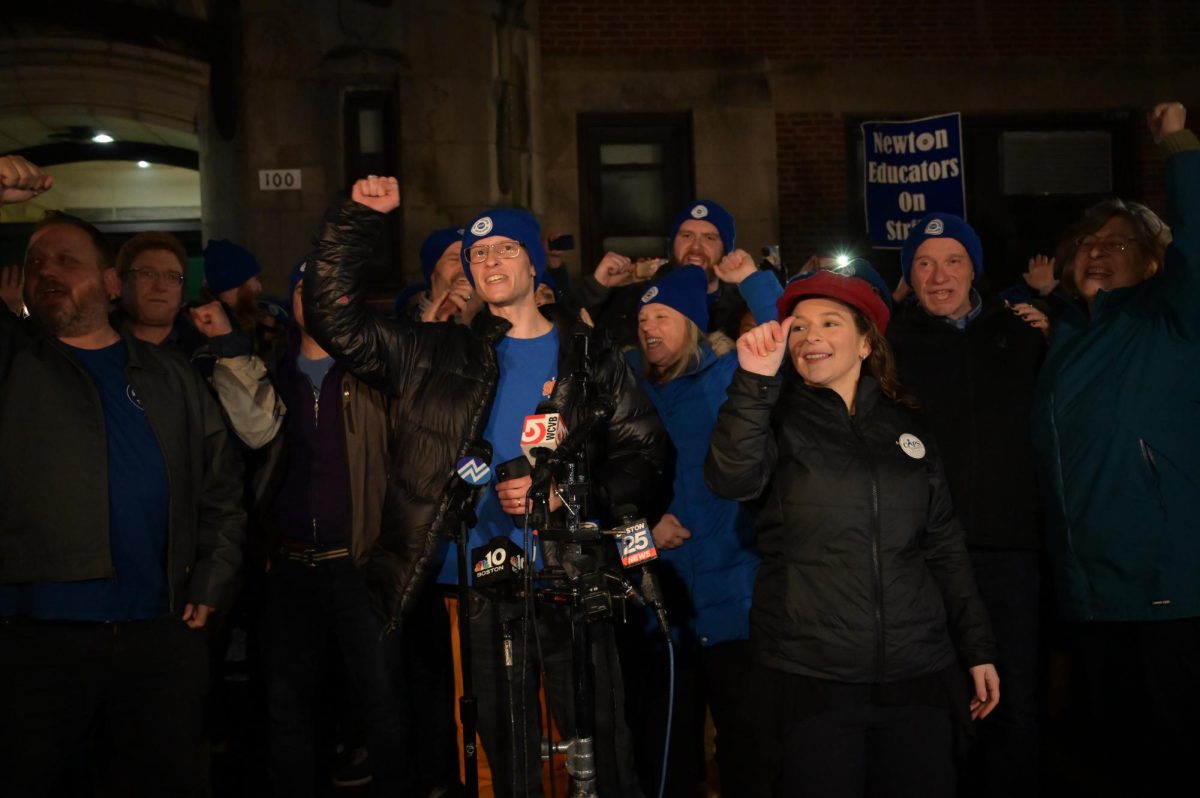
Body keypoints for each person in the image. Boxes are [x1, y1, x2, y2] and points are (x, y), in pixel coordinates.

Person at [302, 176, 672, 798]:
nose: (489, 260)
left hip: (569, 580)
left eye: (505, 248)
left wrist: (566, 495)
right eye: (476, 254)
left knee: (599, 750)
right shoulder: (435, 352)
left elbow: (649, 454)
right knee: (507, 757)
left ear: (534, 260)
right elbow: (333, 319)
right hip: (475, 585)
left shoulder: (586, 354)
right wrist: (356, 221)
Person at [705, 264, 998, 798]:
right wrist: (754, 380)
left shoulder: (907, 429)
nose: (810, 335)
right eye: (798, 325)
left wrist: (976, 647)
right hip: (813, 679)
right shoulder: (773, 418)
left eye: (830, 323)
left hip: (917, 673)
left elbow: (944, 547)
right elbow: (730, 477)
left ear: (867, 343)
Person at [0, 160, 245, 796]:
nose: (47, 271)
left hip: (160, 632)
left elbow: (221, 486)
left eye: (66, 260)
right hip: (38, 633)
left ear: (111, 283)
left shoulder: (170, 377)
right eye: (35, 262)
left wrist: (213, 576)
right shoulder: (15, 362)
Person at [1029, 101, 1200, 794]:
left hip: (1168, 590)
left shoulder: (1173, 320)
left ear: (1158, 262)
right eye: (1087, 245)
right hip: (1091, 594)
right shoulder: (1065, 337)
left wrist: (1179, 147)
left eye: (1117, 243)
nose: (1096, 252)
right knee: (1115, 759)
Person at [887, 212, 1045, 797]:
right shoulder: (892, 348)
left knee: (1014, 697)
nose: (938, 275)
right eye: (923, 263)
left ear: (973, 268)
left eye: (952, 260)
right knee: (938, 701)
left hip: (1008, 548)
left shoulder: (1023, 335)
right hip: (925, 555)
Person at [256, 259, 413, 797]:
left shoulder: (375, 376)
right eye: (304, 288)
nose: (317, 299)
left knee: (382, 704)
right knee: (287, 706)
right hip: (291, 568)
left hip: (360, 565)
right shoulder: (270, 373)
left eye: (329, 290)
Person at [623, 263, 778, 797]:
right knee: (667, 756)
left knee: (749, 749)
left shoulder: (731, 371)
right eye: (642, 318)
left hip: (736, 599)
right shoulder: (627, 387)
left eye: (662, 316)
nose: (649, 328)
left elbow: (791, 340)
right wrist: (641, 534)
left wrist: (754, 279)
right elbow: (599, 494)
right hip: (662, 610)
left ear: (689, 321)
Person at [115, 230, 284, 449]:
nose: (160, 286)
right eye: (146, 274)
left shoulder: (207, 352)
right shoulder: (97, 350)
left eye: (172, 277)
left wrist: (229, 349)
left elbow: (258, 430)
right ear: (118, 282)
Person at [576, 199, 778, 346]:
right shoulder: (633, 300)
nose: (696, 247)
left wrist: (751, 279)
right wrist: (596, 289)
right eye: (686, 235)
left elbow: (784, 335)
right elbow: (570, 338)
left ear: (725, 250)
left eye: (709, 238)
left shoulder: (744, 305)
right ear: (672, 246)